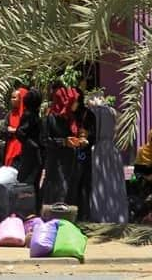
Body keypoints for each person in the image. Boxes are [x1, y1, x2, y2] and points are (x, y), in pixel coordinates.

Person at [41, 86, 86, 205]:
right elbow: (45, 140)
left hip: (69, 160)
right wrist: (64, 142)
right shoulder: (50, 118)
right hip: (56, 162)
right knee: (57, 190)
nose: (76, 103)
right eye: (74, 100)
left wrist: (79, 140)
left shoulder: (70, 117)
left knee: (68, 189)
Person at [68, 89, 96, 221]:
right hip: (70, 154)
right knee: (72, 185)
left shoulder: (88, 114)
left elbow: (94, 135)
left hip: (83, 153)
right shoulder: (68, 114)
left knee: (84, 185)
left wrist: (86, 141)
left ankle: (84, 215)